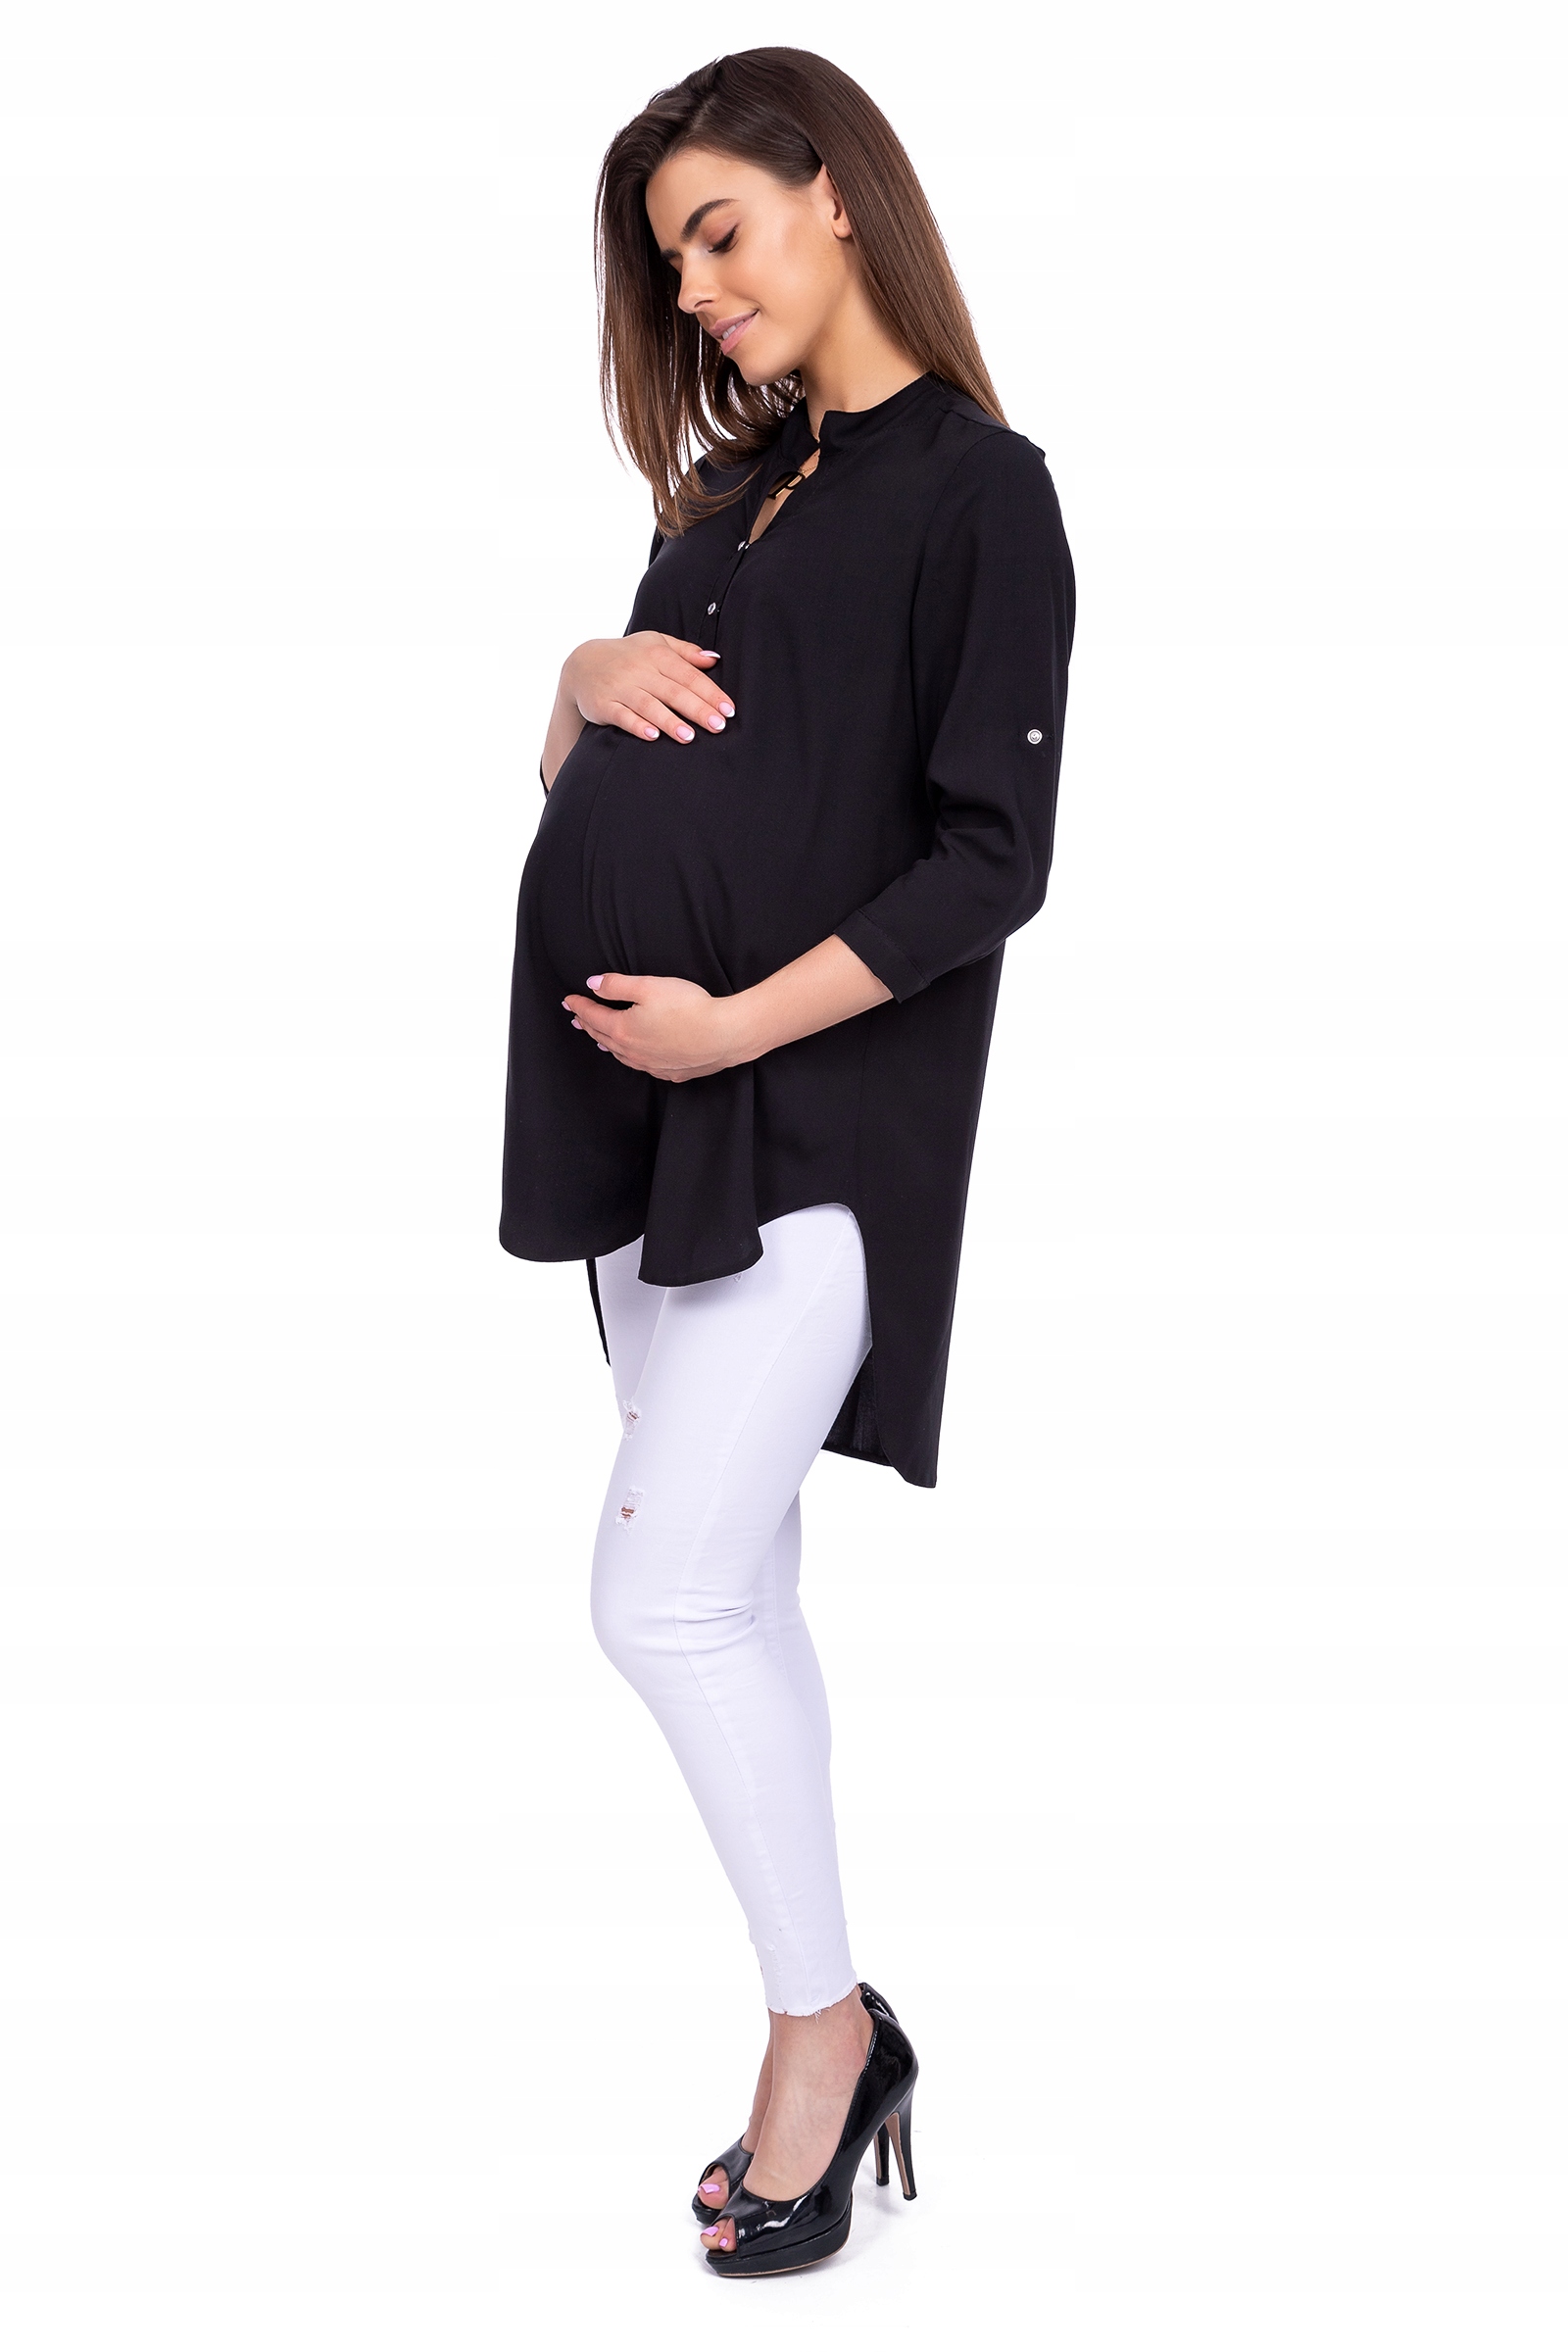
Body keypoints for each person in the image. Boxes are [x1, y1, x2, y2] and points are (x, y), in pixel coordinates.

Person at [499, 47, 1073, 2276]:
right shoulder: (727, 490)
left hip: (809, 1124)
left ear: (834, 191)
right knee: (727, 1590)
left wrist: (733, 1023)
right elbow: (598, 762)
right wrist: (574, 671)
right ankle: (843, 2018)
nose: (697, 290)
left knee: (654, 1597)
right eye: (671, 262)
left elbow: (989, 863)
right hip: (646, 1124)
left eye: (717, 232)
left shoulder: (982, 496)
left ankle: (823, 2037)